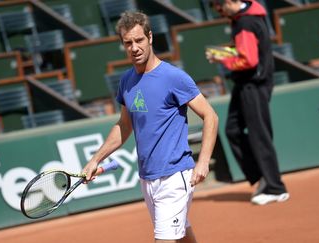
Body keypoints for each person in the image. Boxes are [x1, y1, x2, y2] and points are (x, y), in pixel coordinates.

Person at [82, 11, 219, 243]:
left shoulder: (174, 77)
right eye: (128, 43)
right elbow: (124, 126)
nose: (134, 48)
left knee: (164, 239)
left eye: (139, 40)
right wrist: (96, 159)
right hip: (148, 178)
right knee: (182, 232)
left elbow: (210, 116)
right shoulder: (126, 80)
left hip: (174, 176)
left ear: (150, 37)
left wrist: (203, 160)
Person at [206, 0, 289, 205]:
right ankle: (261, 178)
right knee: (232, 130)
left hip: (254, 85)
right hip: (245, 84)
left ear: (229, 2)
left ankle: (275, 187)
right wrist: (223, 53)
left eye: (219, 7)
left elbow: (249, 60)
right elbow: (245, 51)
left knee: (259, 135)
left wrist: (223, 60)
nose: (219, 11)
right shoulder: (244, 19)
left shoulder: (246, 23)